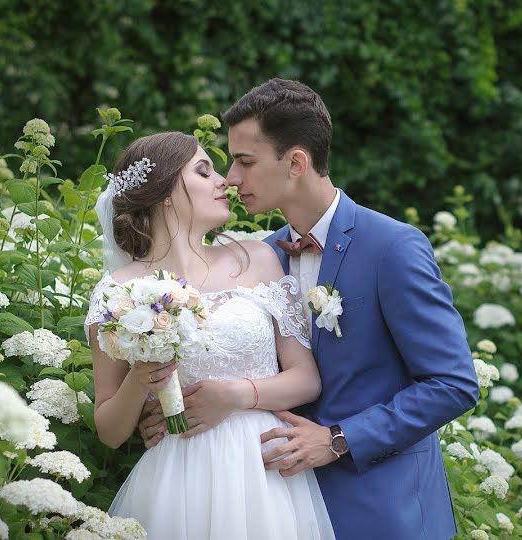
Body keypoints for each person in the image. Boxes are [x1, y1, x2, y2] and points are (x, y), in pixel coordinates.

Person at [139, 79, 480, 539]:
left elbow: (453, 383)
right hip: (278, 504)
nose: (232, 179)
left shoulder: (392, 247)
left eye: (245, 161)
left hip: (383, 506)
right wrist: (172, 410)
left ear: (296, 162)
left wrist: (339, 439)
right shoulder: (260, 257)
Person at [85, 131, 336, 539]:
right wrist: (142, 377)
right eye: (204, 171)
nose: (224, 180)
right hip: (179, 474)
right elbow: (110, 431)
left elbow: (306, 379)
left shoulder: (256, 259)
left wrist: (236, 394)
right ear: (165, 193)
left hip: (262, 468)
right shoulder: (117, 293)